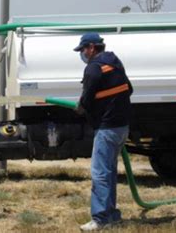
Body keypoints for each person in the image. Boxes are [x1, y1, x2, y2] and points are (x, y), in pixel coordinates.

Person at [73, 32, 133, 231]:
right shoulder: (115, 63)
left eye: (82, 49)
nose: (82, 54)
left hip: (106, 128)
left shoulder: (93, 68)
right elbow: (129, 89)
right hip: (121, 127)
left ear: (91, 47)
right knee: (109, 173)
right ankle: (112, 215)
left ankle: (100, 219)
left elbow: (87, 99)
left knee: (100, 174)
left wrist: (81, 107)